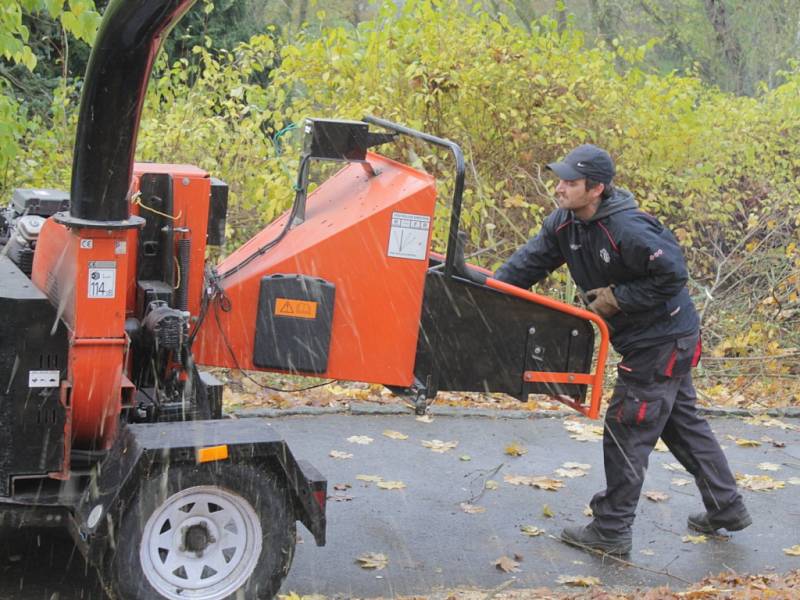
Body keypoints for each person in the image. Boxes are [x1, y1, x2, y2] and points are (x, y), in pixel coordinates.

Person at [494, 144, 751, 555]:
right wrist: (486, 293)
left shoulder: (629, 229)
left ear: (595, 189)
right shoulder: (565, 223)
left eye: (570, 182)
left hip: (664, 341)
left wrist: (620, 298)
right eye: (559, 179)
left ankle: (611, 530)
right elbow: (527, 264)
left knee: (626, 428)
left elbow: (673, 275)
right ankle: (726, 507)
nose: (559, 188)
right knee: (681, 424)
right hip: (650, 341)